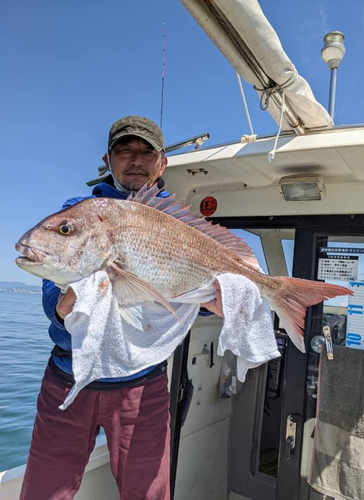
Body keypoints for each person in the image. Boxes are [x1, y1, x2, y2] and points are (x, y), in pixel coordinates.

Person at [20, 115, 223, 500]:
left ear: (162, 164)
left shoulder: (185, 226)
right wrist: (61, 307)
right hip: (69, 376)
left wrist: (219, 304)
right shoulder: (79, 211)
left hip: (142, 386)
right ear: (107, 159)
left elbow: (193, 300)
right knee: (42, 493)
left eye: (147, 152)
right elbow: (52, 288)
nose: (136, 159)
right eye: (125, 150)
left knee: (148, 495)